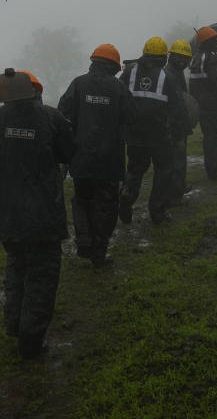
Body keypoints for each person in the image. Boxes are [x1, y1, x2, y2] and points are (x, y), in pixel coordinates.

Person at [0, 69, 76, 359]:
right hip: (42, 215)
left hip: (7, 212)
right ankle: (31, 340)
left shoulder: (0, 118)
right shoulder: (51, 117)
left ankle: (15, 325)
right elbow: (68, 154)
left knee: (17, 266)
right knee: (42, 273)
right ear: (37, 91)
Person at [58, 44, 135, 267]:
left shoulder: (78, 84)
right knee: (106, 205)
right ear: (113, 66)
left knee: (81, 199)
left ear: (93, 62)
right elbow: (132, 116)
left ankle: (84, 240)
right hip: (109, 159)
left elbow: (63, 114)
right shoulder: (119, 88)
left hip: (81, 156)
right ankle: (98, 252)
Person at [119, 37, 190, 223]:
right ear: (162, 58)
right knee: (164, 169)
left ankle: (127, 194)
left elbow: (119, 97)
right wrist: (178, 131)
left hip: (134, 133)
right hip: (159, 133)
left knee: (135, 168)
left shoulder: (129, 73)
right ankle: (157, 211)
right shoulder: (167, 77)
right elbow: (177, 109)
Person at [189, 26, 217, 180]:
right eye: (216, 41)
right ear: (207, 42)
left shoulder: (195, 59)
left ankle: (211, 171)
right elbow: (216, 82)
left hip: (202, 105)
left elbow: (193, 85)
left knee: (209, 137)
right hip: (216, 104)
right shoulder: (211, 58)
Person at [165, 39, 196, 206]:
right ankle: (175, 193)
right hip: (175, 125)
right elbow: (177, 103)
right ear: (173, 57)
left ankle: (178, 188)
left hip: (178, 124)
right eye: (182, 58)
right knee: (176, 160)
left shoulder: (175, 73)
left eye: (186, 59)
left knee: (178, 159)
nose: (184, 62)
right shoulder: (170, 75)